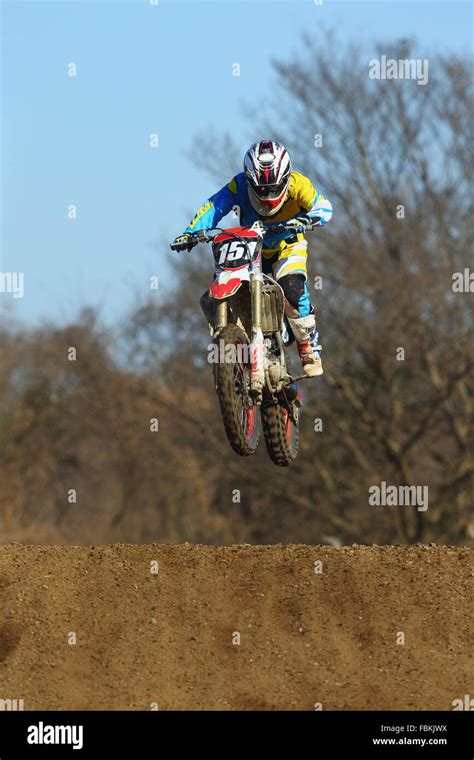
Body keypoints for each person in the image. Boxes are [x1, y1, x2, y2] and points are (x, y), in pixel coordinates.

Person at [172, 140, 333, 376]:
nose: (267, 194)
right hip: (250, 246)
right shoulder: (238, 185)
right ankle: (234, 343)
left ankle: (307, 343)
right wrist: (191, 232)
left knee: (292, 285)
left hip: (287, 245)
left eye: (273, 188)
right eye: (261, 189)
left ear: (286, 178)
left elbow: (323, 207)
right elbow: (215, 206)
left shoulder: (300, 185)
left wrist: (310, 218)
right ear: (250, 180)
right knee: (225, 287)